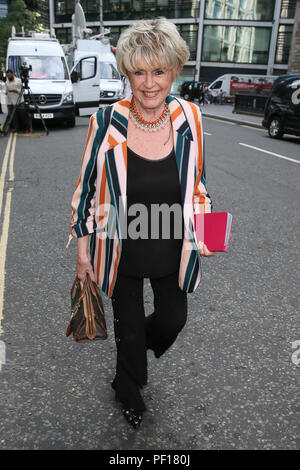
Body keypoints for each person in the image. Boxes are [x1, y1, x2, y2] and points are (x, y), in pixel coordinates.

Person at [67, 18, 216, 430]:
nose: (149, 83)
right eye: (139, 71)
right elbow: (85, 190)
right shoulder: (105, 121)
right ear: (127, 71)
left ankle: (130, 353)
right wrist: (82, 254)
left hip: (171, 243)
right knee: (129, 329)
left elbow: (198, 184)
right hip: (121, 246)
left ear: (174, 70)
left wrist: (203, 229)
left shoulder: (191, 118)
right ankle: (128, 388)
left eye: (159, 71)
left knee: (173, 320)